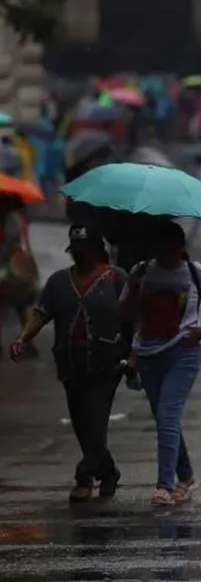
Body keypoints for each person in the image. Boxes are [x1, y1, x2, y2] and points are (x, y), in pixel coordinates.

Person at [10, 225, 127, 502]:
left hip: (107, 364)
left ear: (98, 252)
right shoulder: (59, 282)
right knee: (82, 424)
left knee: (96, 420)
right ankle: (108, 472)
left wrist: (136, 354)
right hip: (70, 363)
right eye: (77, 251)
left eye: (86, 251)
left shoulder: (116, 279)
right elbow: (41, 314)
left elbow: (134, 318)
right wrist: (23, 339)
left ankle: (84, 476)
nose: (81, 257)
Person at [119, 221, 201, 506]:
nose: (162, 253)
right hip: (147, 355)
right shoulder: (142, 271)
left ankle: (164, 486)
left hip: (183, 354)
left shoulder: (195, 272)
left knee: (168, 416)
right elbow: (125, 313)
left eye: (167, 247)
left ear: (179, 247)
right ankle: (187, 477)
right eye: (157, 247)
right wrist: (132, 288)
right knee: (163, 419)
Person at [0, 196, 38, 353]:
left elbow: (9, 243)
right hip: (11, 269)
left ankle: (27, 344)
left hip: (10, 269)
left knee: (17, 305)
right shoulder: (14, 218)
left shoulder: (12, 219)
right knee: (19, 306)